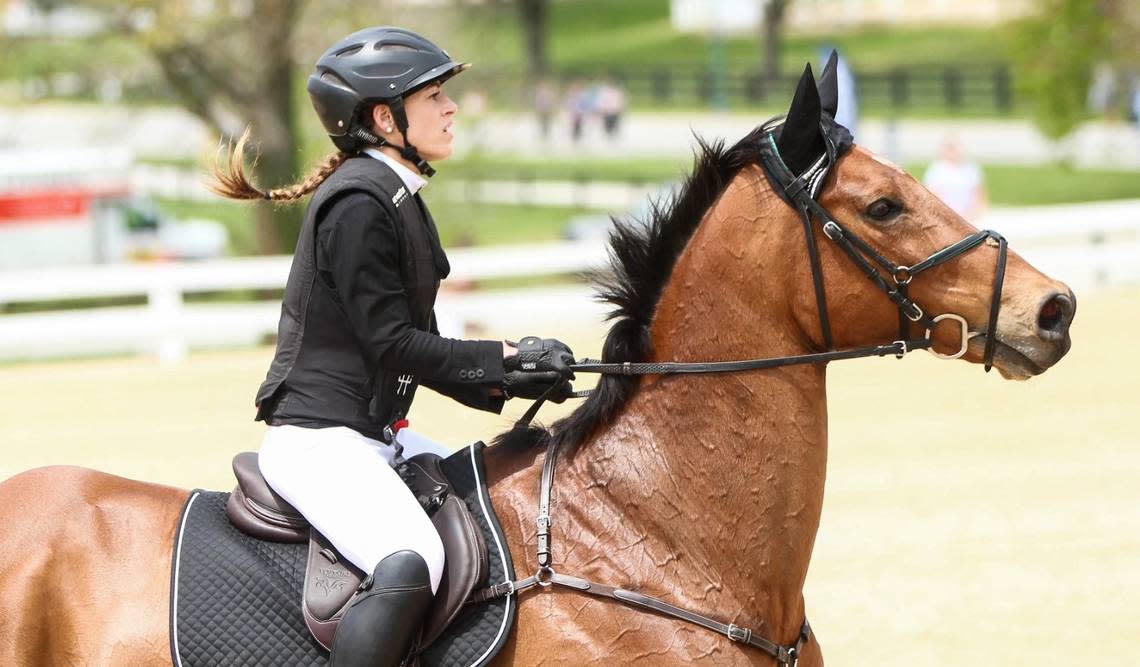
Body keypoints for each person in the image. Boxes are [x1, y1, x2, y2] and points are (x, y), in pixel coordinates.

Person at [209, 26, 575, 667]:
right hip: (320, 442)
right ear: (385, 116)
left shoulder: (396, 194)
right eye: (433, 96)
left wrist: (515, 376)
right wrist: (502, 361)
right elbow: (394, 344)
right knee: (411, 559)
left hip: (374, 437)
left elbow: (418, 344)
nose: (450, 107)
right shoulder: (358, 202)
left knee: (497, 493)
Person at [922, 137, 988, 221]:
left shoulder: (971, 168)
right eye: (950, 148)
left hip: (970, 217)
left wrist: (971, 215)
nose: (953, 151)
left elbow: (980, 196)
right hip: (945, 217)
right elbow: (932, 196)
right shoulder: (936, 170)